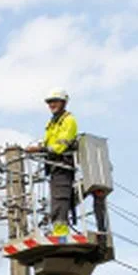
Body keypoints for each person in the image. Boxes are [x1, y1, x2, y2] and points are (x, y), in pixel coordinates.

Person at [27, 88, 77, 236]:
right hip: (54, 167)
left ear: (63, 102)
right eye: (49, 102)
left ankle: (61, 233)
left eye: (54, 102)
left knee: (60, 200)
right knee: (55, 200)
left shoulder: (68, 120)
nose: (51, 105)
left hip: (63, 165)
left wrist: (38, 149)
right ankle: (57, 230)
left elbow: (60, 146)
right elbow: (48, 144)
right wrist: (39, 149)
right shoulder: (52, 123)